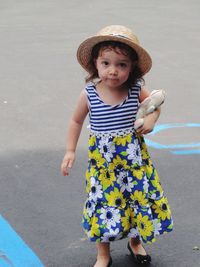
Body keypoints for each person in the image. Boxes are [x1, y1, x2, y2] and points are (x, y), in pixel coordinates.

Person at [61, 25, 173, 267]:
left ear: (132, 67)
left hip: (133, 164)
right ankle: (103, 254)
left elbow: (154, 105)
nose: (113, 71)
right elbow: (75, 120)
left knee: (135, 201)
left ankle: (135, 243)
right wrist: (70, 150)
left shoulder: (135, 89)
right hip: (104, 168)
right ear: (95, 63)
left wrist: (151, 120)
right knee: (103, 206)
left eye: (122, 65)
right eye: (106, 63)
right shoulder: (89, 93)